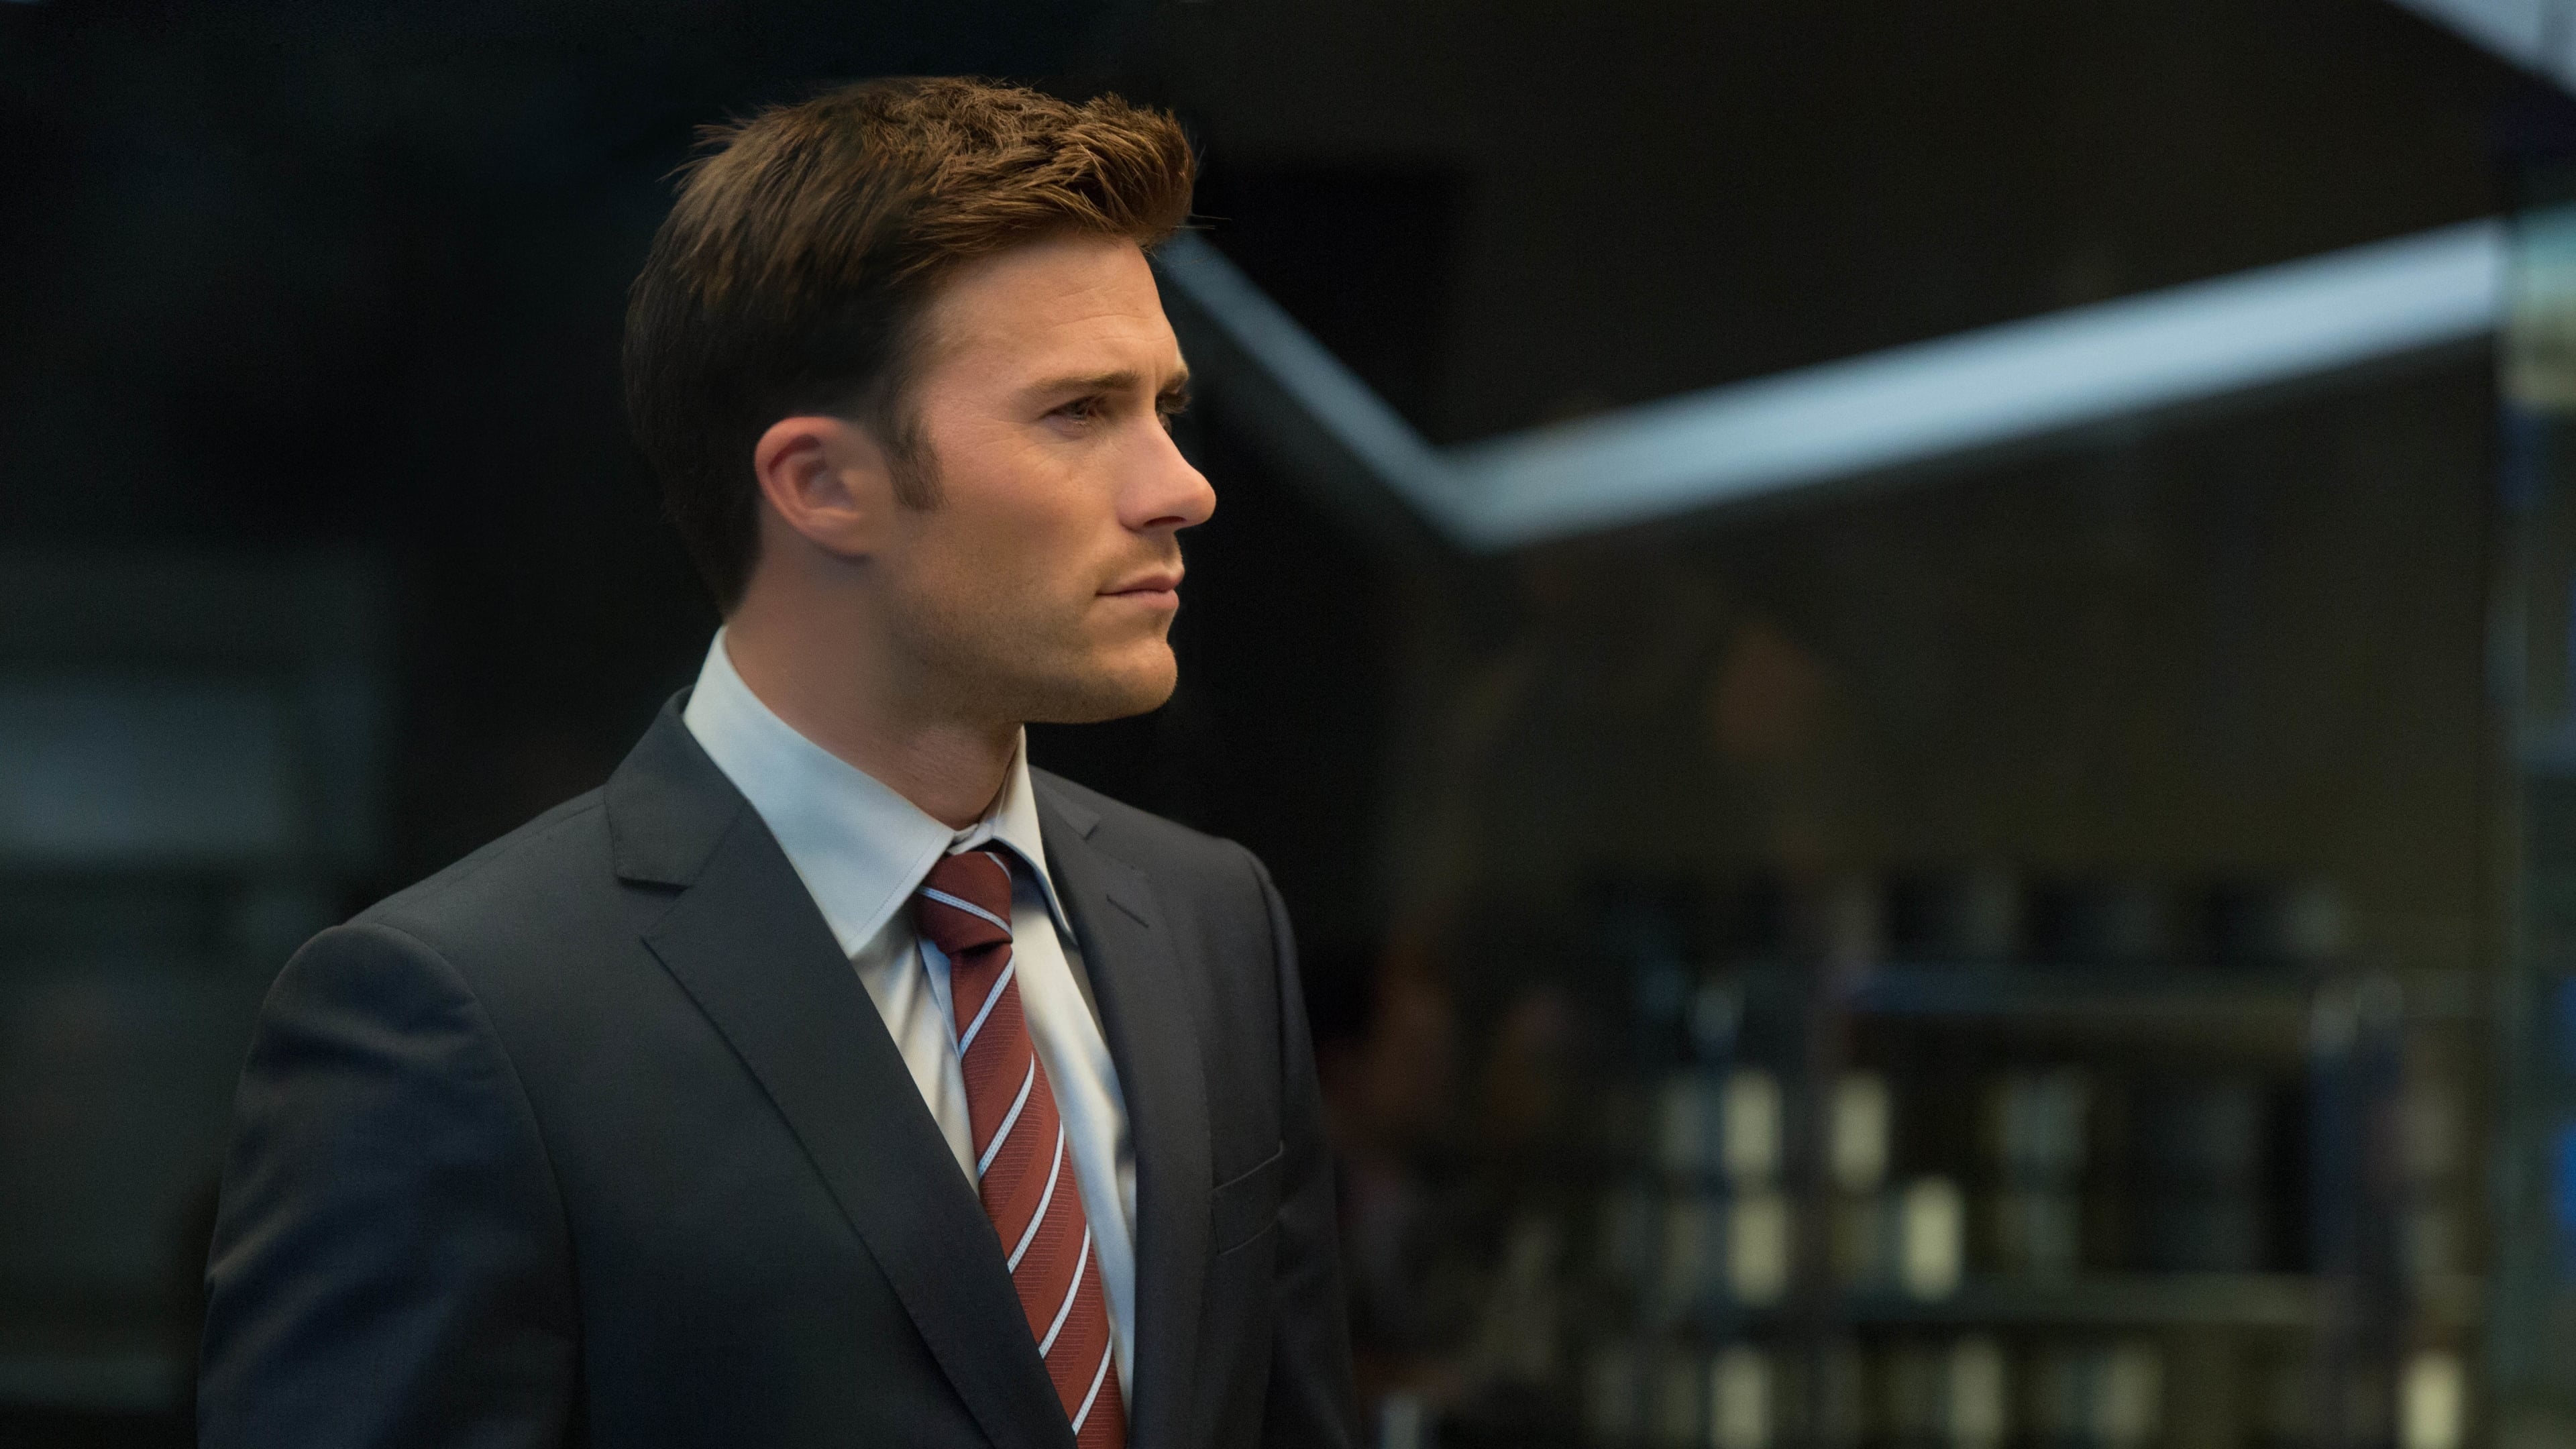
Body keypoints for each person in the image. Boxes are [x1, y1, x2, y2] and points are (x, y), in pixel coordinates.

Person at [197, 77, 1358, 1449]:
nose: (1183, 485)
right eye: (1078, 412)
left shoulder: (1212, 924)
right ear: (821, 484)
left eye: (1164, 405)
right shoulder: (463, 1015)